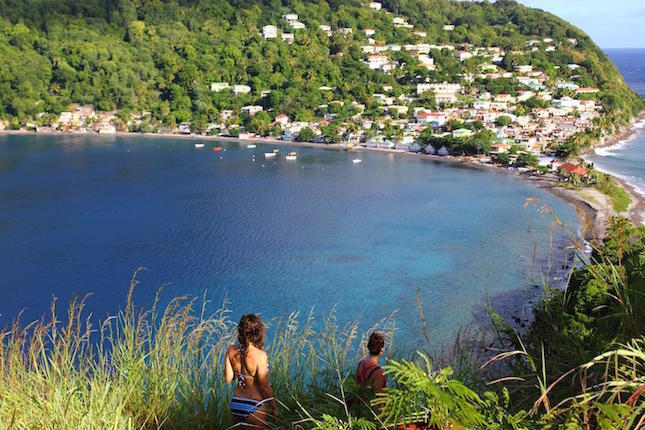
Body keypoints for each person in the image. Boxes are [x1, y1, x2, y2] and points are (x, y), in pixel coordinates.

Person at [225, 314, 278, 428]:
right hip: (255, 405)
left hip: (236, 404)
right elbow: (264, 386)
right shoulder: (260, 355)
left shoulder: (231, 350)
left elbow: (228, 379)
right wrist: (274, 407)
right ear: (257, 332)